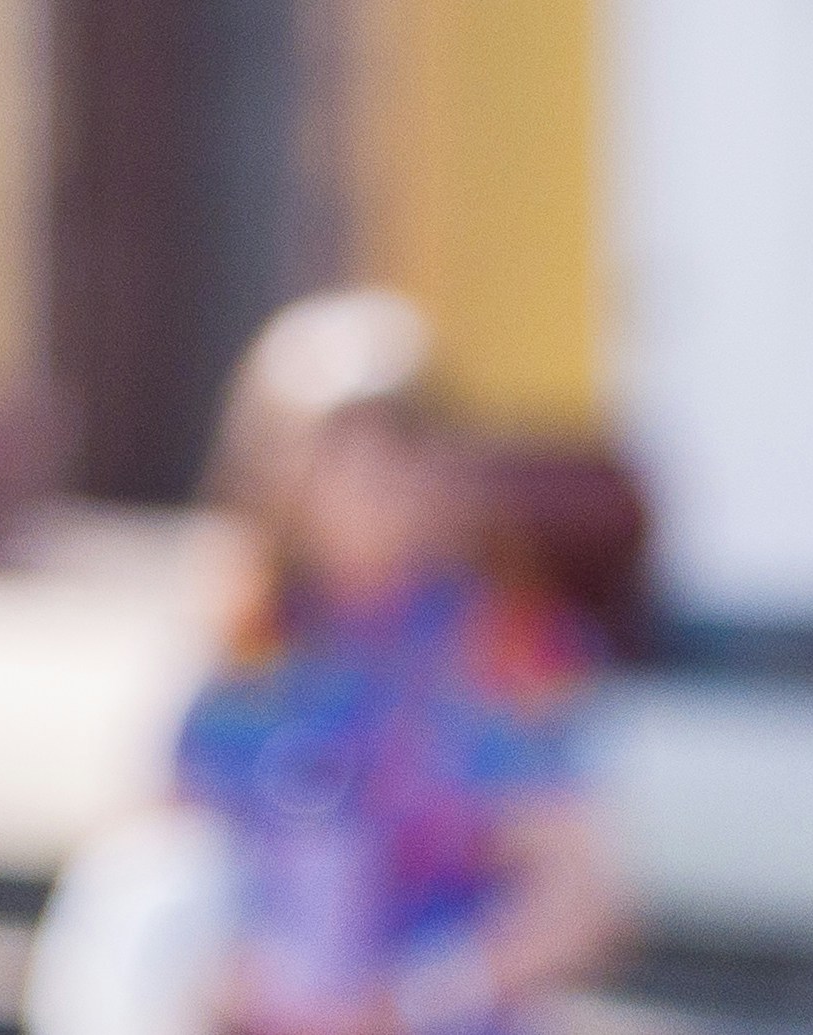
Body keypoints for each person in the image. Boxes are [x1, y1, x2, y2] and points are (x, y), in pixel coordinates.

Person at [121, 290, 625, 1035]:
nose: (366, 474)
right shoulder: (243, 644)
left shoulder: (503, 644)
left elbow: (578, 895)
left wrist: (417, 997)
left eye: (398, 441)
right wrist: (221, 973)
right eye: (332, 445)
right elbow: (163, 860)